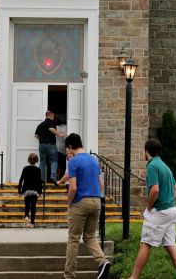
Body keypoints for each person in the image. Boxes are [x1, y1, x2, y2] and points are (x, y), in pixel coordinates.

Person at [128, 138, 176, 279]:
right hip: (172, 211)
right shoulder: (164, 166)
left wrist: (149, 208)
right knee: (170, 245)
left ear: (146, 150)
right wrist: (169, 202)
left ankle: (133, 278)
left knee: (145, 243)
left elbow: (154, 190)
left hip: (159, 212)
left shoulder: (152, 166)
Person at [63, 133, 110, 279]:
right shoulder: (93, 160)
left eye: (67, 148)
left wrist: (69, 203)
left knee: (73, 239)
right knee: (90, 236)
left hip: (80, 202)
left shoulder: (73, 162)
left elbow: (73, 187)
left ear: (70, 146)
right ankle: (103, 261)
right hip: (96, 201)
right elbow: (101, 185)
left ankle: (69, 275)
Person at [34, 110, 62, 184]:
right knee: (53, 160)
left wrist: (42, 139)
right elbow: (51, 129)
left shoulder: (40, 125)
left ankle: (42, 179)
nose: (54, 117)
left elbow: (36, 135)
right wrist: (59, 134)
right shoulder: (51, 122)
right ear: (51, 115)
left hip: (42, 145)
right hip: (51, 145)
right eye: (53, 115)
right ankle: (53, 177)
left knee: (42, 162)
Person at [18, 153, 42, 229]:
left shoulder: (25, 168)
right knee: (33, 207)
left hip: (26, 190)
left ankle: (26, 216)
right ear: (36, 161)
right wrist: (40, 192)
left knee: (27, 205)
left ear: (29, 160)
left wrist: (19, 191)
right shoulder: (38, 170)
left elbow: (21, 180)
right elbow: (39, 181)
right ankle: (32, 223)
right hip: (34, 191)